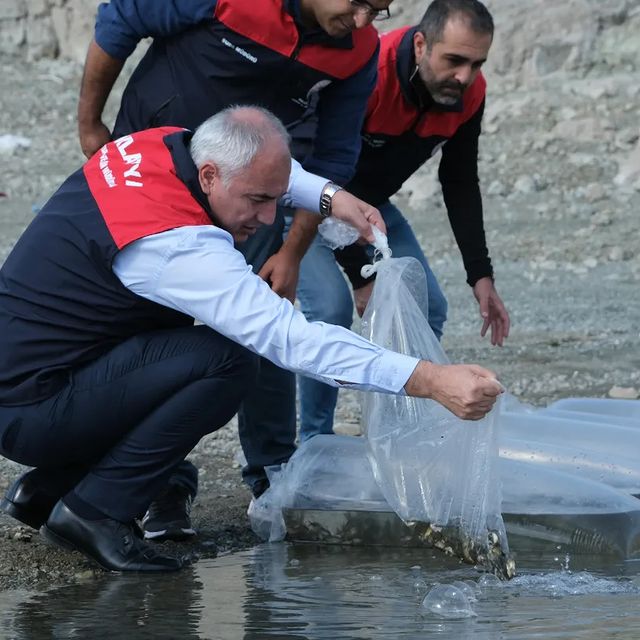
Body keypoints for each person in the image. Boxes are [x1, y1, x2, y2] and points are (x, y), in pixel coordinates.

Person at [0, 107, 502, 572]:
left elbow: (269, 174)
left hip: (33, 375)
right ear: (210, 176)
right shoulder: (177, 244)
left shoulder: (159, 146)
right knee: (229, 360)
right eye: (258, 202)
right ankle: (93, 510)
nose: (268, 219)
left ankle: (51, 487)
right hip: (32, 408)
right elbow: (290, 339)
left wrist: (330, 198)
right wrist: (428, 379)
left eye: (274, 198)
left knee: (176, 333)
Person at [75, 0, 395, 537]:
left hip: (255, 199)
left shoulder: (357, 49)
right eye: (359, 3)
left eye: (380, 10)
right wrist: (89, 125)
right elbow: (119, 19)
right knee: (149, 332)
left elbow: (335, 157)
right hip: (156, 184)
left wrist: (292, 252)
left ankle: (272, 472)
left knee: (265, 327)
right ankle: (158, 487)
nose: (364, 21)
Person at [287, 0, 511, 443]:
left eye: (477, 63)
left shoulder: (469, 92)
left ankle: (398, 439)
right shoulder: (373, 72)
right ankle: (313, 445)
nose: (465, 77)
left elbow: (460, 178)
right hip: (309, 202)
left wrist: (480, 274)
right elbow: (328, 168)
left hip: (370, 204)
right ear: (422, 43)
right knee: (330, 309)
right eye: (454, 61)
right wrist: (360, 275)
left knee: (427, 306)